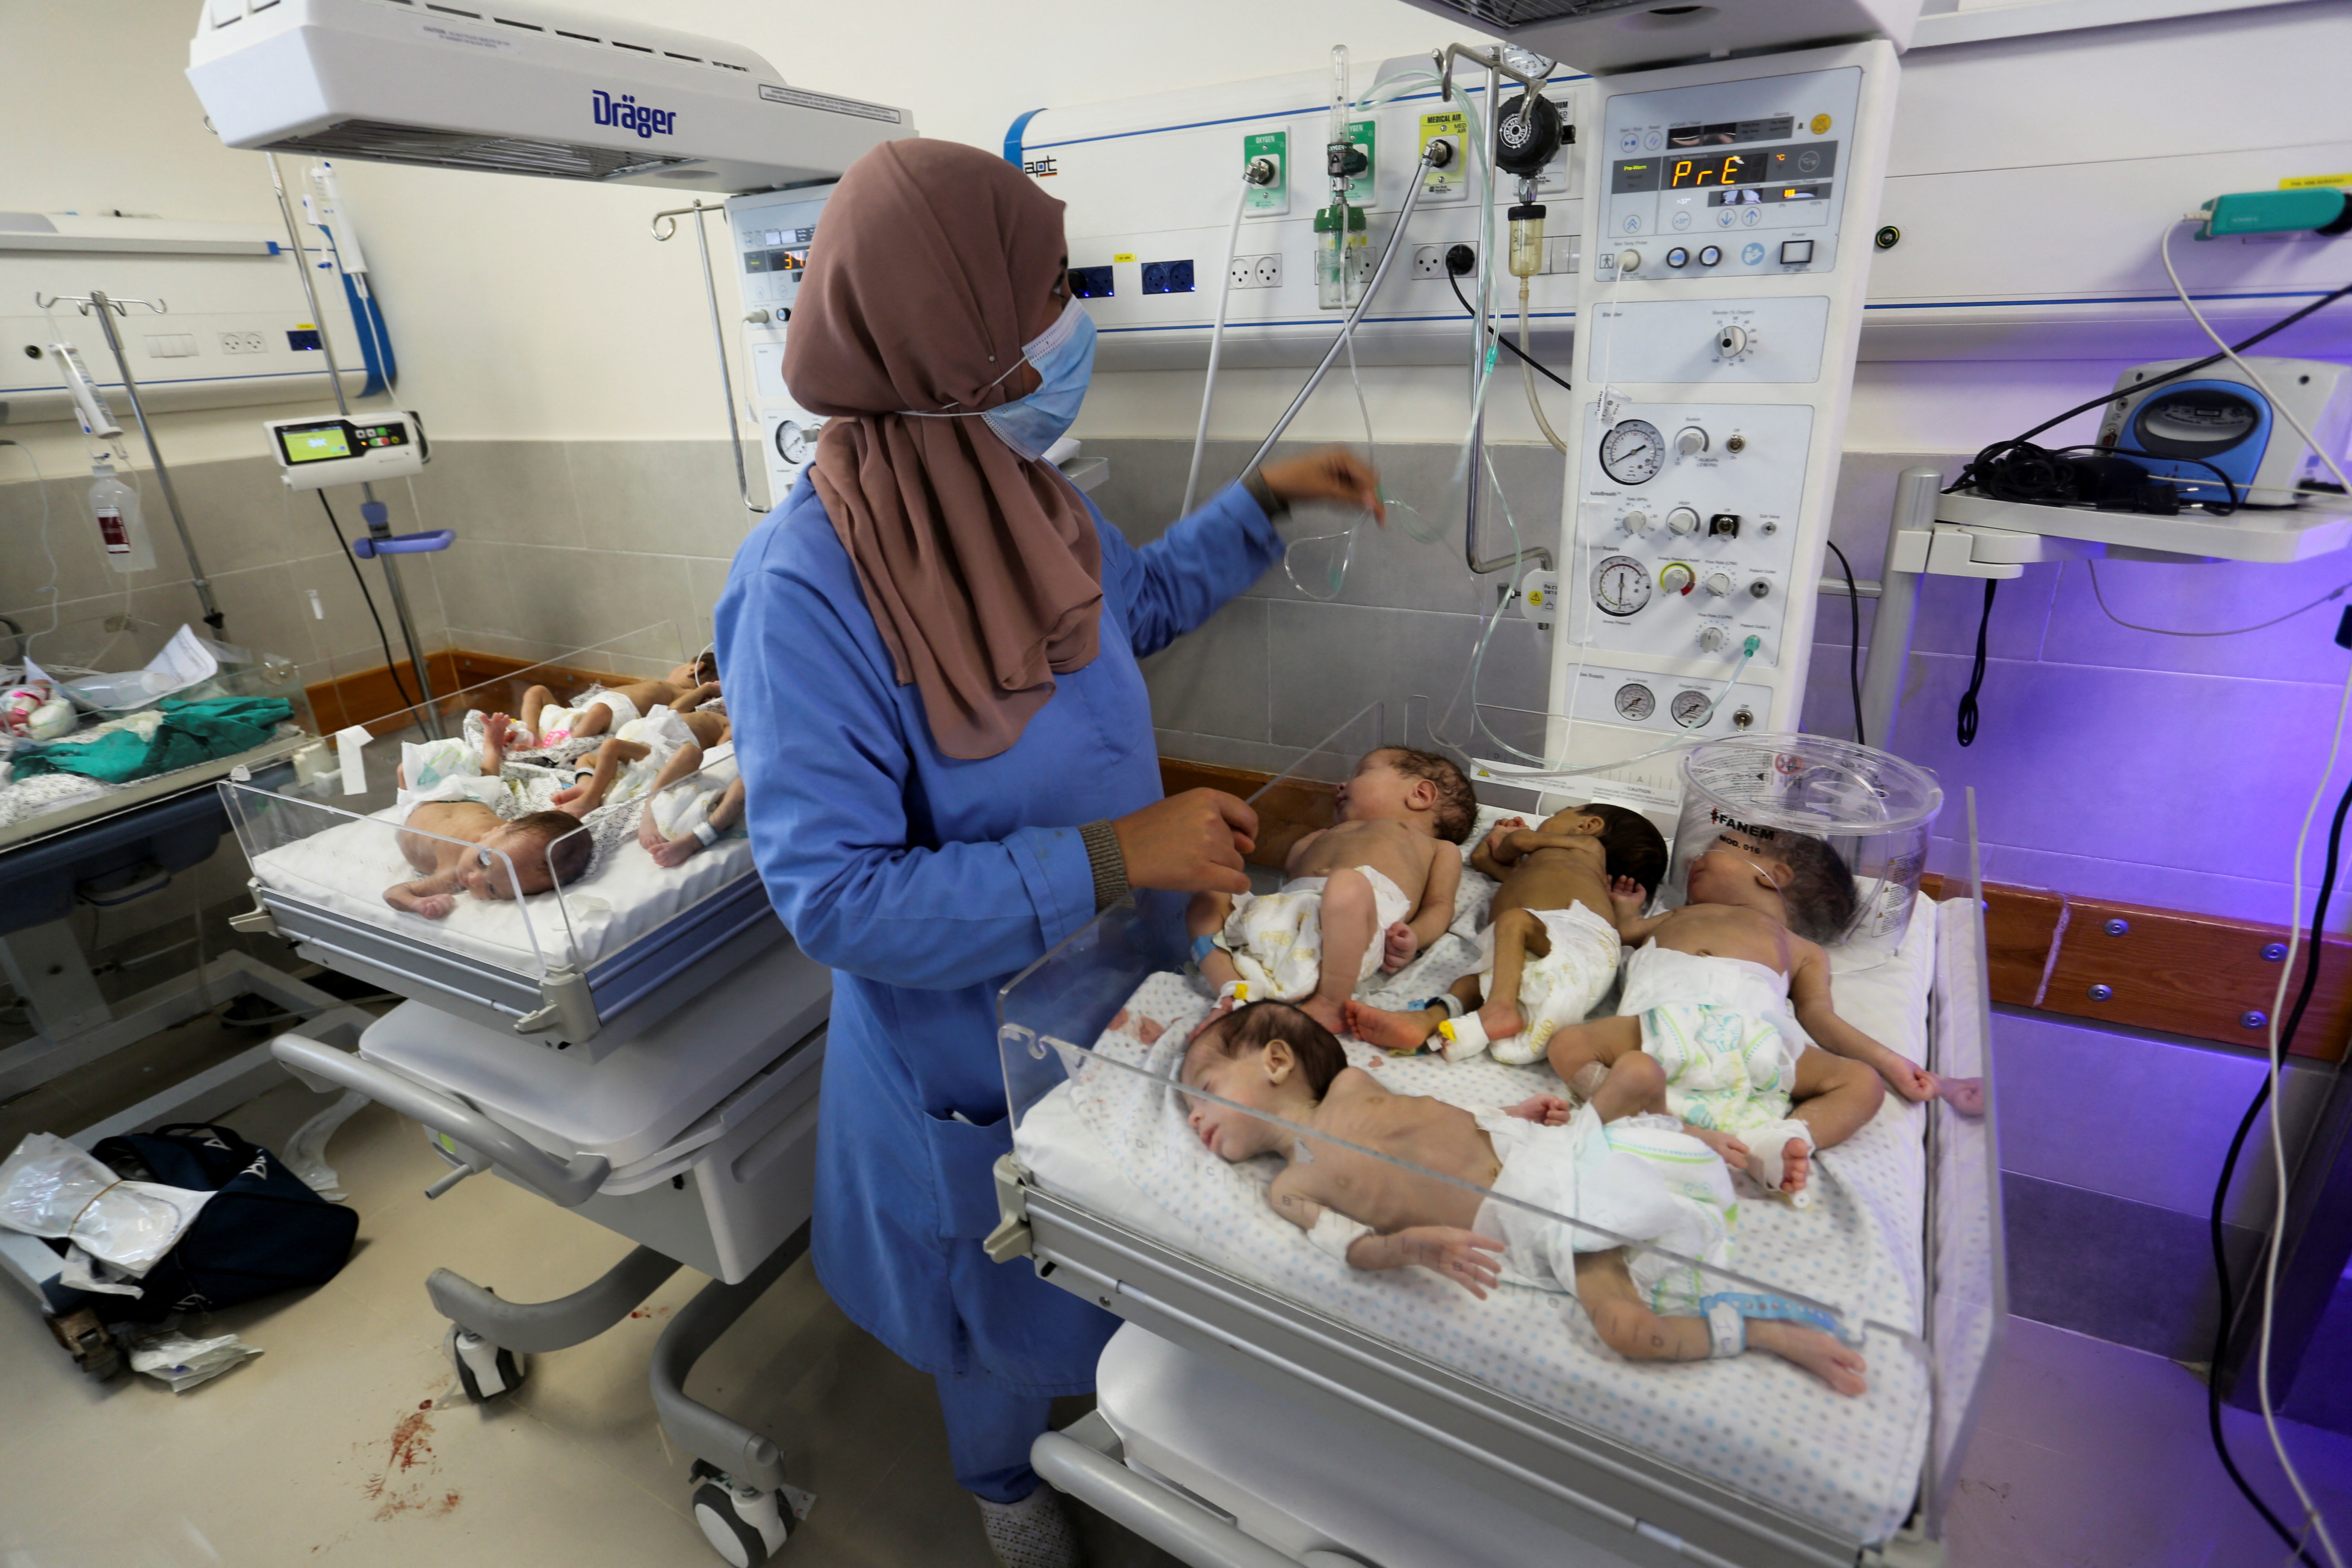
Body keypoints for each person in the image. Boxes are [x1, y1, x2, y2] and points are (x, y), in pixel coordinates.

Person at [714, 137, 1386, 1567]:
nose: (1071, 328)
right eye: (1047, 295)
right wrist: (1108, 853)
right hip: (968, 1048)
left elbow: (1126, 607)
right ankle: (1007, 1494)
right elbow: (836, 897)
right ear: (952, 336)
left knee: (1116, 1277)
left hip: (1121, 999)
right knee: (999, 1315)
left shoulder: (1029, 496)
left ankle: (1131, 1438)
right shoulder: (802, 591)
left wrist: (1267, 504)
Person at [1180, 1001, 1867, 1394]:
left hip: (1544, 1154)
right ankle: (1764, 1329)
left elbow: (1435, 1116)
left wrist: (1511, 1113)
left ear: (1276, 1061)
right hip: (1539, 1221)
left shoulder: (1356, 1083)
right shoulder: (1289, 1185)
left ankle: (1691, 1135)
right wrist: (1412, 1245)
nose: (1193, 1120)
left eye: (1204, 1091)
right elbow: (1348, 1243)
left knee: (1638, 1070)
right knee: (1630, 1331)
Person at [1541, 827, 1935, 1206]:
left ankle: (1782, 1139)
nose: (1695, 857)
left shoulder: (1802, 949)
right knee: (1568, 1043)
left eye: (1722, 845)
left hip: (1753, 1039)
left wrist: (1889, 1062)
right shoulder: (1676, 916)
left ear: (1773, 875)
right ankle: (1659, 1120)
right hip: (1658, 1027)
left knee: (1863, 1083)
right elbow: (1624, 933)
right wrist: (1626, 910)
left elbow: (1820, 1017)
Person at [1346, 803, 1667, 1063]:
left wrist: (1510, 836)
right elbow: (1483, 861)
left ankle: (1500, 1010)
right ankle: (1425, 1022)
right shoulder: (1541, 868)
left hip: (1578, 935)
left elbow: (1515, 845)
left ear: (1588, 826)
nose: (1545, 823)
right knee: (1473, 983)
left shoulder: (1588, 846)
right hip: (1548, 951)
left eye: (1556, 815)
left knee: (1515, 922)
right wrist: (1500, 845)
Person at [1190, 747, 1471, 1033]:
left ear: (1420, 795)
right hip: (1281, 919)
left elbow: (1440, 904)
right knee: (1210, 895)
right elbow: (1292, 872)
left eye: (1362, 773)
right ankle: (1232, 991)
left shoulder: (1439, 849)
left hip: (1354, 931)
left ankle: (1331, 1002)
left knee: (1347, 885)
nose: (1341, 784)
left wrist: (1415, 938)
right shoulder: (1330, 832)